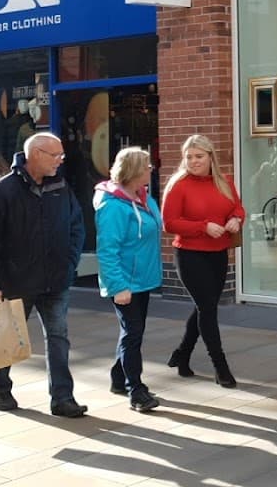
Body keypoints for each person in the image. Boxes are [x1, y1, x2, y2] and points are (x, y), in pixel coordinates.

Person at [0, 133, 88, 417]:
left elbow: (76, 226)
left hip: (56, 278)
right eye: (56, 155)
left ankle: (62, 397)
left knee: (58, 337)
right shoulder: (5, 189)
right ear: (35, 154)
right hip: (17, 279)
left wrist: (70, 260)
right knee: (6, 337)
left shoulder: (61, 186)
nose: (61, 160)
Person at [162, 134, 245, 388]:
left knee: (205, 307)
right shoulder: (179, 185)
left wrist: (235, 220)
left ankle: (182, 354)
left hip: (218, 253)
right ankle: (221, 367)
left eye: (199, 156)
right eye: (189, 157)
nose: (193, 161)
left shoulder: (224, 181)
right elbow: (170, 223)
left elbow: (238, 208)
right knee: (208, 309)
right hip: (190, 254)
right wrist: (203, 227)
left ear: (211, 157)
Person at [94, 147, 163, 412]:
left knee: (132, 332)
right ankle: (137, 390)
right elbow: (107, 250)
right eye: (147, 166)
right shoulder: (112, 206)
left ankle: (118, 378)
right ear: (135, 170)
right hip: (126, 282)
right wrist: (118, 286)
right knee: (133, 334)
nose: (150, 170)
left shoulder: (143, 197)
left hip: (142, 278)